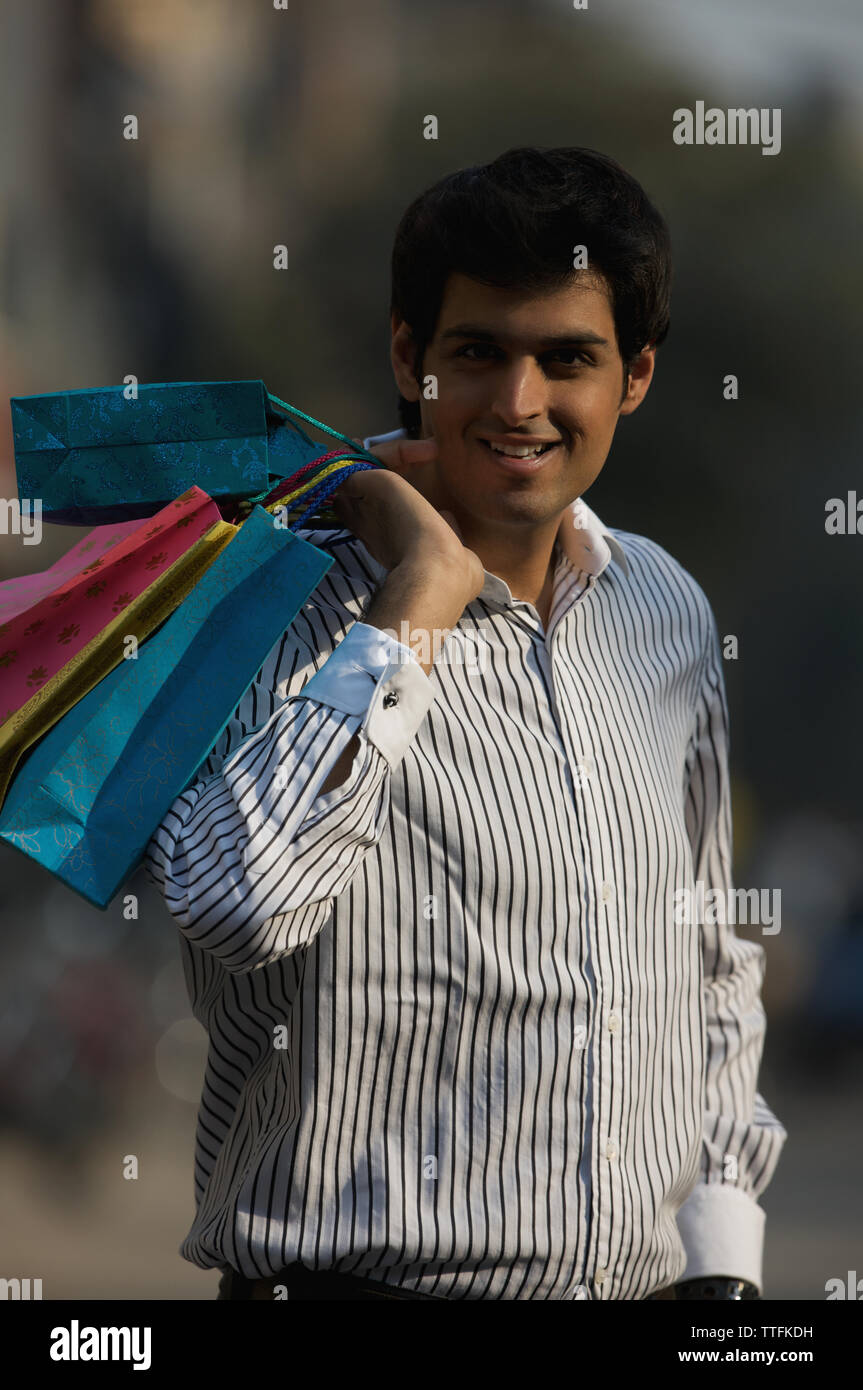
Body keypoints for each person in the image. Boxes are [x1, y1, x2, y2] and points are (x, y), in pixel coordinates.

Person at [144, 146, 787, 1301]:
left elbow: (705, 960)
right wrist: (416, 598)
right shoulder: (264, 601)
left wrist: (720, 1268)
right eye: (478, 352)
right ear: (409, 356)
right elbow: (235, 905)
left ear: (632, 377)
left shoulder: (663, 609)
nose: (519, 403)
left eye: (568, 359)